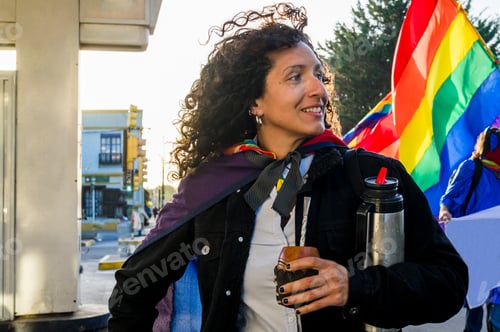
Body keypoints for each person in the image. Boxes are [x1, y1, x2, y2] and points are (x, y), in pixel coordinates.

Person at [108, 3, 468, 331]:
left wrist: (355, 287)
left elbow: (449, 281)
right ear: (255, 102)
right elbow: (133, 291)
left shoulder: (372, 176)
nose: (318, 90)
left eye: (318, 75)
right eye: (295, 77)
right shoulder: (211, 189)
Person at [439, 126, 500, 332]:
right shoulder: (471, 168)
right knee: (476, 302)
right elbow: (450, 197)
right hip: (477, 246)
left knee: (497, 305)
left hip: (497, 245)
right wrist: (445, 211)